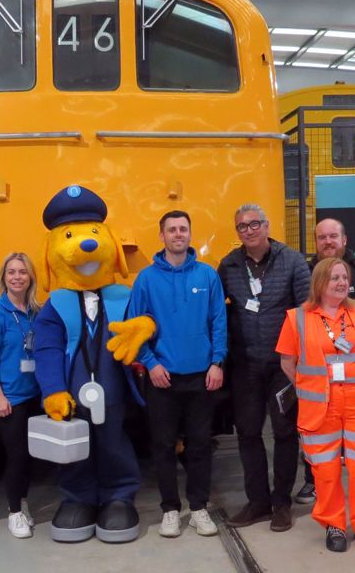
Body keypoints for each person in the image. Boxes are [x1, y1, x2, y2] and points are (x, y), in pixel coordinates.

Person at [127, 210, 226, 538]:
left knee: (200, 446)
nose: (178, 234)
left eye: (183, 229)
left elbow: (219, 321)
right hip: (162, 377)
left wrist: (217, 362)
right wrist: (150, 363)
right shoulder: (146, 279)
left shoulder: (207, 276)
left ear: (190, 234)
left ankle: (198, 508)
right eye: (172, 230)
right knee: (163, 446)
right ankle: (170, 510)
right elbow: (134, 327)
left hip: (202, 377)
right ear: (162, 236)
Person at [277, 258, 355, 553]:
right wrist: (308, 387)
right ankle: (334, 525)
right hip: (320, 407)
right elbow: (287, 362)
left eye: (344, 277)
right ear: (319, 282)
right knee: (325, 472)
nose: (341, 283)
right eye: (334, 278)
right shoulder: (297, 318)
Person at [217, 204, 310, 532]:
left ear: (267, 226)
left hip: (283, 365)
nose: (249, 230)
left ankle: (281, 503)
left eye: (254, 224)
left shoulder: (293, 261)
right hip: (245, 365)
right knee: (248, 433)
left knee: (284, 432)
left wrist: (299, 360)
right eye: (242, 226)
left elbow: (305, 312)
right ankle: (257, 502)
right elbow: (216, 311)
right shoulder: (229, 265)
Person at [296, 217, 355, 505]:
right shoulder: (302, 273)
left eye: (333, 236)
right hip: (320, 389)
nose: (327, 242)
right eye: (322, 237)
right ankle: (314, 483)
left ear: (344, 240)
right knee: (320, 447)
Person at [0, 252, 43, 538]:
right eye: (11, 272)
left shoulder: (36, 312)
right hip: (10, 398)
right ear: (4, 278)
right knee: (15, 456)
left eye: (22, 272)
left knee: (29, 456)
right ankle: (14, 512)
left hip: (33, 395)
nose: (17, 277)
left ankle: (23, 502)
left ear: (31, 277)